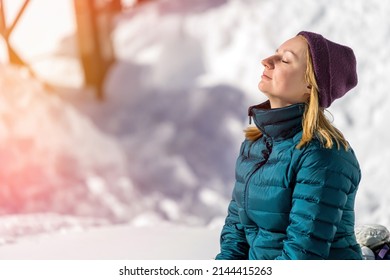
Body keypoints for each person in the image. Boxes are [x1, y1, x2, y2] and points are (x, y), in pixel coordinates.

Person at [215, 31, 363, 260]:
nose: (267, 61)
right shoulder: (254, 145)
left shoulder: (323, 156)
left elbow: (303, 256)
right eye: (276, 54)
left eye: (284, 60)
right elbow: (236, 233)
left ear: (310, 86)